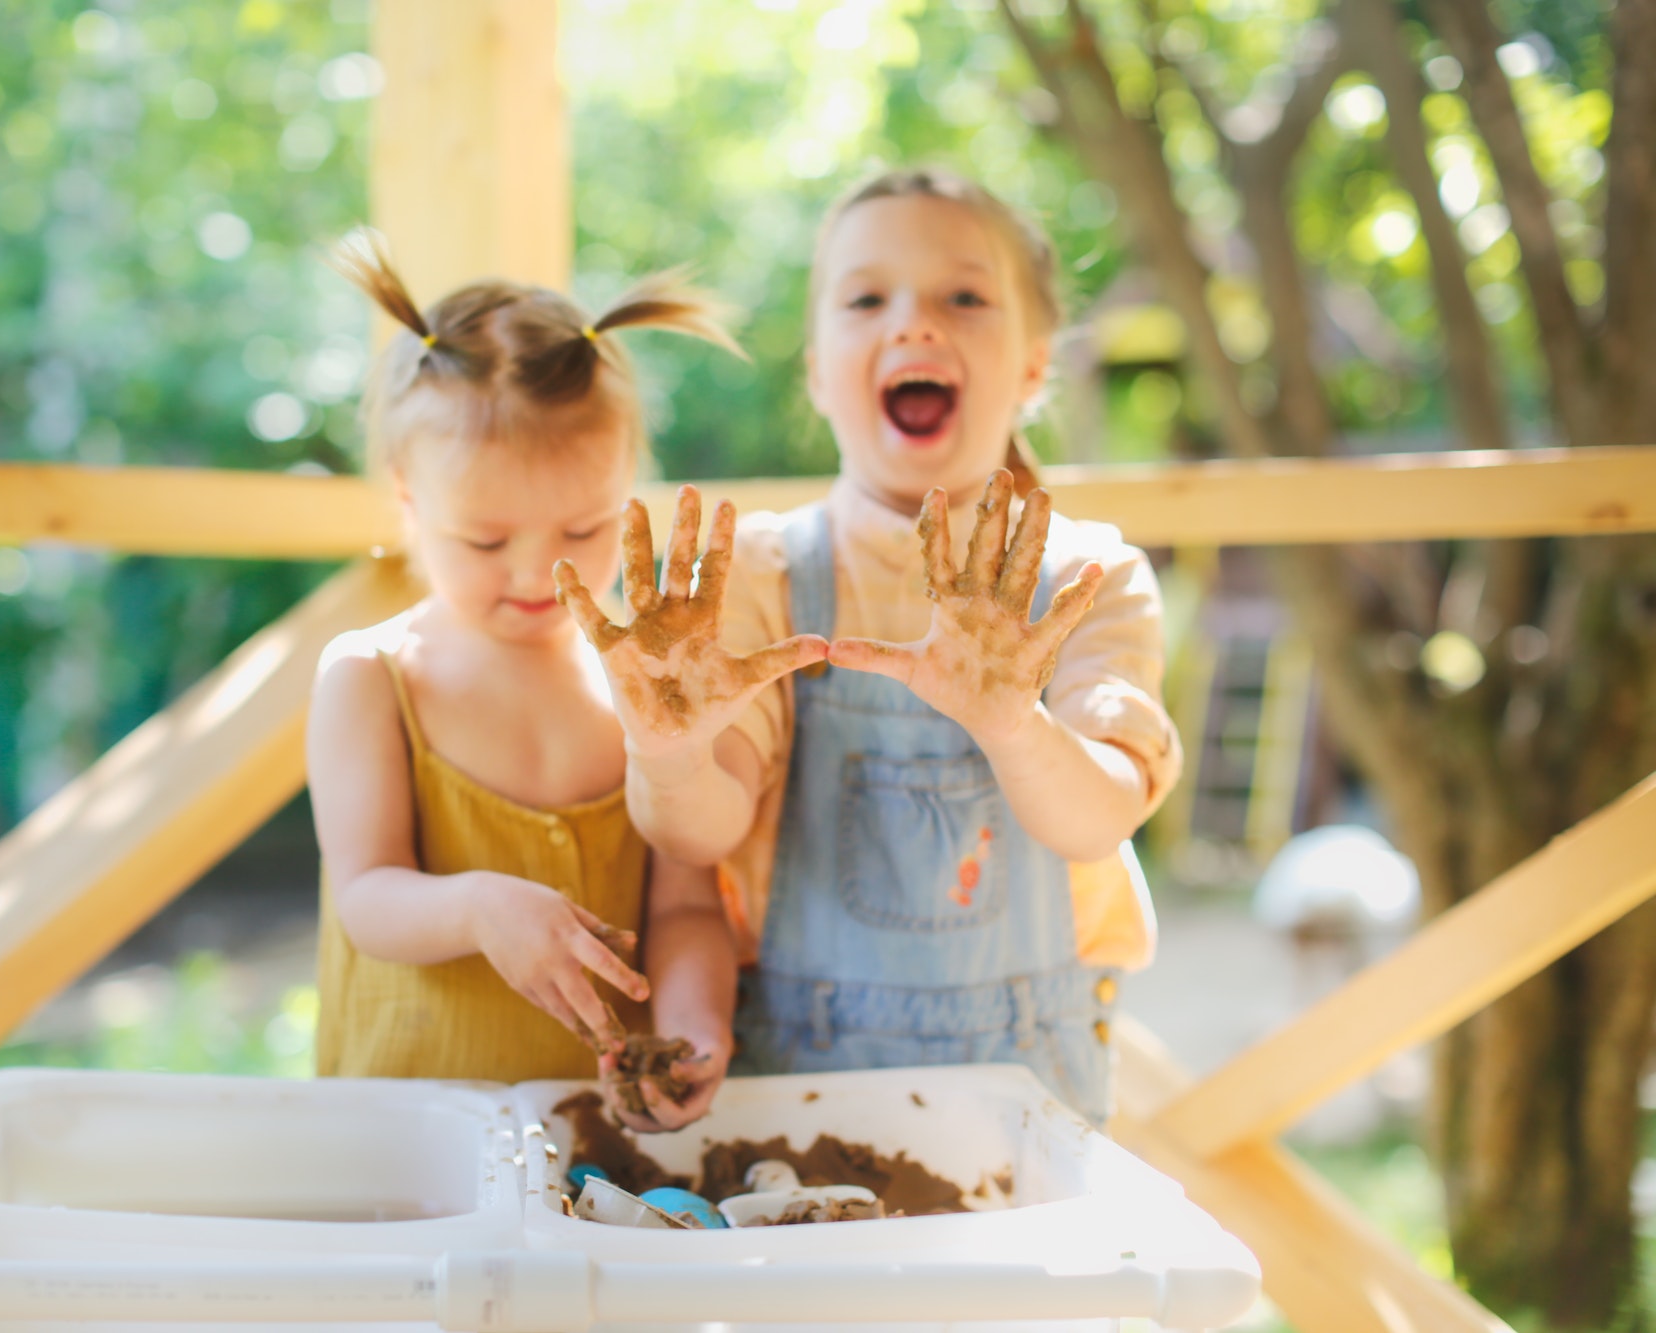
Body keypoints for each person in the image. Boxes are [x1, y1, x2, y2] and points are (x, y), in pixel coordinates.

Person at [555, 168, 1181, 1126]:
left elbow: (1100, 814)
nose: (915, 325)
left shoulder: (1088, 581)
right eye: (866, 298)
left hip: (1024, 1124)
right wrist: (669, 749)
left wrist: (1015, 724)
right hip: (792, 1115)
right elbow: (697, 833)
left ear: (1032, 367)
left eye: (964, 297)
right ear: (815, 368)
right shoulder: (758, 576)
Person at [308, 230, 738, 1121]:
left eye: (584, 530)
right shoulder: (372, 680)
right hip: (403, 1144)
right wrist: (475, 909)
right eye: (487, 540)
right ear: (408, 497)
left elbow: (688, 908)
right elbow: (366, 896)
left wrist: (696, 1027)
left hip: (598, 1152)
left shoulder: (649, 689)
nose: (539, 571)